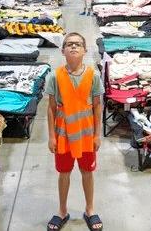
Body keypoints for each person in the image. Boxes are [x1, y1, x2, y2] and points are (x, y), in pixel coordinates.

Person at [46, 33, 104, 231]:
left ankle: (90, 209)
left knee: (87, 172)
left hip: (86, 133)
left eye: (78, 44)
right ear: (62, 51)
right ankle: (62, 211)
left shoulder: (93, 76)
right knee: (64, 172)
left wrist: (97, 134)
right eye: (69, 44)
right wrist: (51, 136)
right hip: (63, 134)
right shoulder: (55, 76)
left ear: (85, 50)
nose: (73, 47)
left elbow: (97, 106)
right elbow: (51, 108)